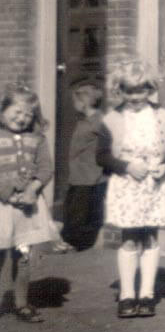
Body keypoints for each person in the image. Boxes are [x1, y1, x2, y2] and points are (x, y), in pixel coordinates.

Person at [97, 60, 165, 319]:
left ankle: (146, 294)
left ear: (150, 90)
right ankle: (126, 295)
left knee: (152, 237)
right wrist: (125, 166)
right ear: (119, 91)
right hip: (127, 185)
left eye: (141, 90)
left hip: (155, 184)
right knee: (131, 238)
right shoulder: (112, 120)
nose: (135, 97)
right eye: (128, 91)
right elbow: (101, 156)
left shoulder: (164, 117)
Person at [0, 84, 56, 323]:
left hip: (27, 208)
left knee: (23, 255)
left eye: (28, 115)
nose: (22, 118)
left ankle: (21, 303)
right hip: (2, 208)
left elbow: (46, 168)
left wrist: (33, 189)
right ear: (3, 108)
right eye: (17, 111)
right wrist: (7, 192)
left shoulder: (37, 139)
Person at [60, 79, 108, 251]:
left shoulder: (99, 122)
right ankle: (69, 239)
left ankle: (77, 242)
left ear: (83, 103)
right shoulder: (84, 121)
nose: (74, 105)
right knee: (72, 208)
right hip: (79, 174)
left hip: (91, 175)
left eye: (76, 101)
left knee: (83, 211)